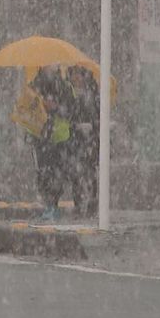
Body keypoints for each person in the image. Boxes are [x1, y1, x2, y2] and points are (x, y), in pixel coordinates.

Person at [16, 64, 78, 222]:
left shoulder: (64, 86)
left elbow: (71, 109)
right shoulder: (33, 86)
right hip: (40, 134)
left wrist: (56, 108)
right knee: (43, 170)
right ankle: (48, 204)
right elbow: (26, 109)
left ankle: (53, 204)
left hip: (59, 135)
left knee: (57, 171)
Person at [66, 66, 99, 218]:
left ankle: (92, 205)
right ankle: (78, 205)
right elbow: (65, 119)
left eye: (79, 74)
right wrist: (76, 126)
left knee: (90, 172)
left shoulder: (92, 94)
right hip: (74, 139)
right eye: (74, 74)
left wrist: (92, 125)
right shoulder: (67, 93)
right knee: (75, 173)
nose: (76, 78)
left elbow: (99, 115)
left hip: (90, 139)